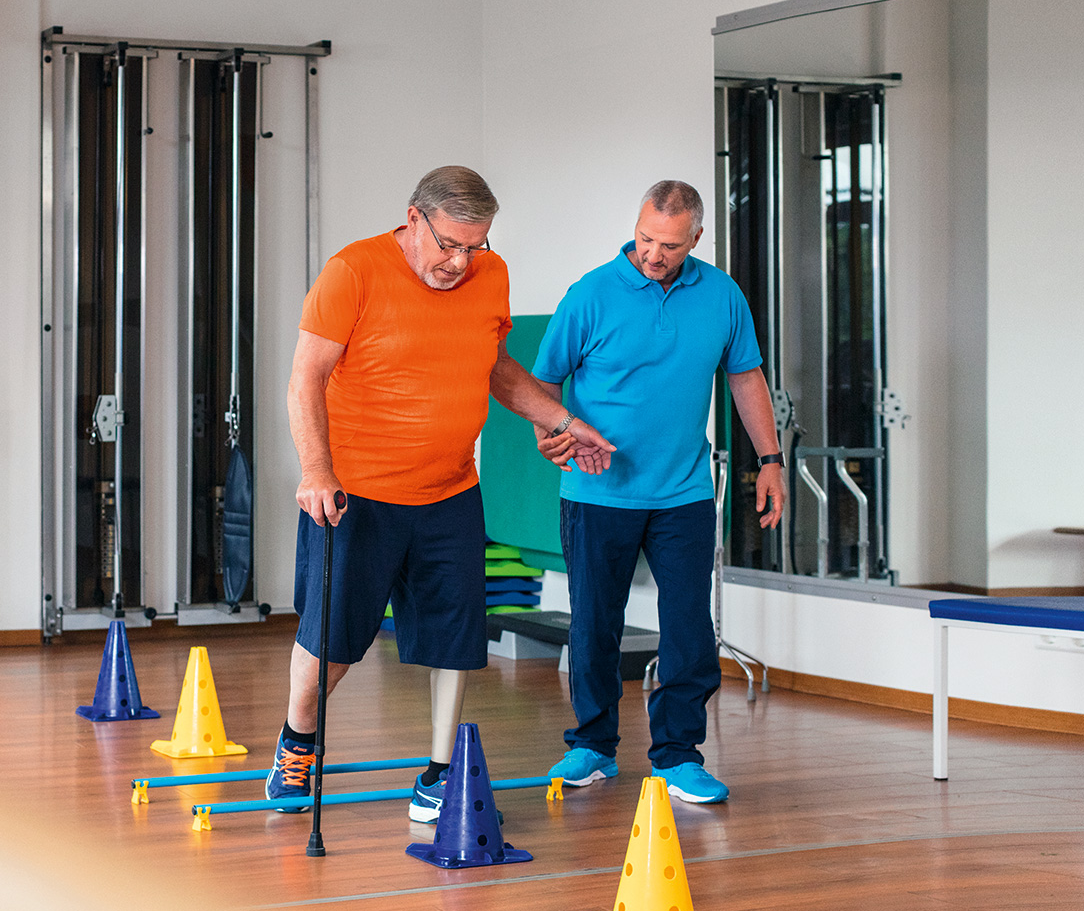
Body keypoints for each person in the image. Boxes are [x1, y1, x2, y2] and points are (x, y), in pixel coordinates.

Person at [268, 166, 613, 823]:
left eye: (475, 246)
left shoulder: (492, 275)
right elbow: (304, 377)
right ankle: (299, 739)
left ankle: (438, 771)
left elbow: (493, 367)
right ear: (413, 219)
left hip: (450, 490)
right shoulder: (354, 272)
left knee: (456, 639)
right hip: (354, 495)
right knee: (332, 641)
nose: (461, 261)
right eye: (449, 244)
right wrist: (316, 470)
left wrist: (559, 418)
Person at [532, 180, 785, 804]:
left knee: (689, 633)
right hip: (597, 493)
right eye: (646, 238)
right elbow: (539, 381)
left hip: (684, 493)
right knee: (595, 625)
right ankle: (590, 746)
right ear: (636, 226)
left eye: (669, 245)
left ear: (696, 237)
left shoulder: (722, 295)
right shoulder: (590, 294)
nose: (653, 253)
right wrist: (552, 432)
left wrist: (772, 460)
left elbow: (745, 375)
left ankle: (677, 756)